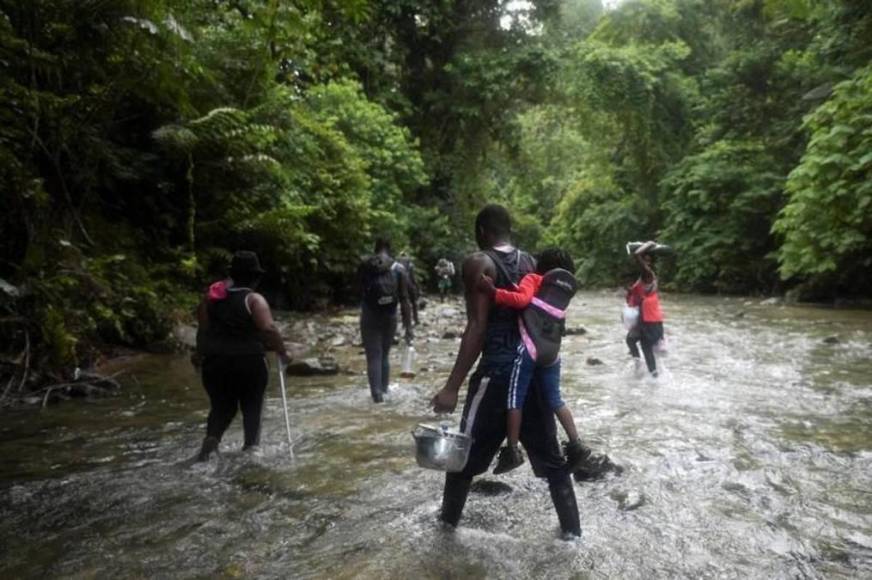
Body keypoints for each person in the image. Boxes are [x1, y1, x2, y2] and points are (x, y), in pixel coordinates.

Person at [430, 204, 582, 539]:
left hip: (496, 375)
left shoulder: (479, 263)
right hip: (532, 372)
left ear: (482, 232)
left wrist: (452, 387)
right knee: (554, 464)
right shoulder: (533, 263)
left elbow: (477, 326)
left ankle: (444, 535)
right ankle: (573, 537)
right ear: (509, 231)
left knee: (461, 460)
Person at [477, 248, 591, 475]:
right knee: (555, 399)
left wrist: (493, 292)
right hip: (553, 353)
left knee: (515, 399)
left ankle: (512, 451)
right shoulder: (563, 291)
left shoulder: (533, 279)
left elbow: (521, 300)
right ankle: (576, 444)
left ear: (540, 265)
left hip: (530, 349)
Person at [194, 251, 289, 461]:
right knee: (252, 406)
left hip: (215, 363)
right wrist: (282, 352)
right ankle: (251, 451)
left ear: (232, 275)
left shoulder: (210, 300)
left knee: (221, 406)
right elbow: (269, 329)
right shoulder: (253, 299)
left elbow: (203, 331)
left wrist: (199, 355)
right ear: (255, 277)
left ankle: (212, 439)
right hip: (249, 362)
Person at [359, 238, 413, 403]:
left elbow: (358, 290)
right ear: (390, 249)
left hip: (369, 314)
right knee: (384, 355)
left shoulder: (365, 265)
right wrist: (408, 327)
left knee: (373, 356)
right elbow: (405, 300)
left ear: (375, 248)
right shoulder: (399, 269)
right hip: (390, 316)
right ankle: (384, 392)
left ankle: (376, 396)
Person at [626, 240, 666, 378]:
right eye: (645, 260)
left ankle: (654, 376)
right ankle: (639, 365)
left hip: (651, 321)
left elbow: (637, 254)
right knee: (631, 340)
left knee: (646, 347)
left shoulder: (647, 273)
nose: (645, 263)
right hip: (644, 319)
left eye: (648, 260)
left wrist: (649, 243)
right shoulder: (644, 277)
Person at [397, 251, 421, 325]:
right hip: (409, 283)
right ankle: (416, 319)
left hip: (401, 286)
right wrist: (417, 287)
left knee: (403, 303)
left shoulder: (397, 265)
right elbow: (413, 277)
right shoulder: (410, 264)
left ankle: (405, 322)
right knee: (414, 303)